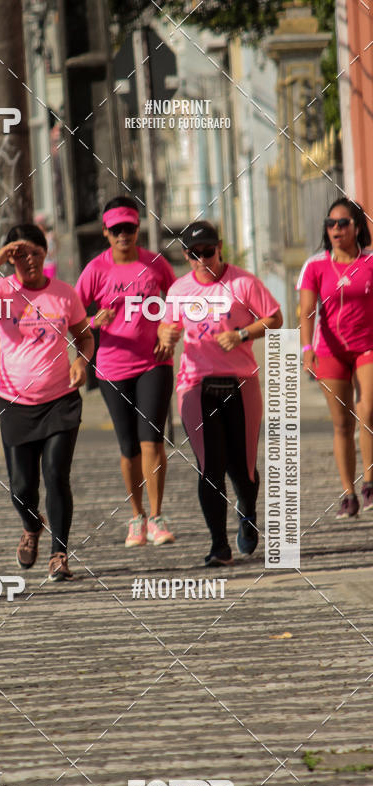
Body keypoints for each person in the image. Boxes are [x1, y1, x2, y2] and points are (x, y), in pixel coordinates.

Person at [0, 224, 94, 581]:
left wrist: (81, 361)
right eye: (21, 255)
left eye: (36, 252)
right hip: (15, 402)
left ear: (45, 253)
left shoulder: (64, 294)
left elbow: (84, 337)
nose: (30, 261)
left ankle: (59, 554)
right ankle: (31, 524)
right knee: (21, 488)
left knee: (56, 475)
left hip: (60, 401)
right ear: (11, 259)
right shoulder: (1, 290)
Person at [158, 221, 283, 567]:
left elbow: (275, 318)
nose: (202, 260)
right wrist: (167, 337)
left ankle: (247, 511)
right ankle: (219, 546)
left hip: (241, 384)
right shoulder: (179, 290)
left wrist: (243, 334)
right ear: (185, 255)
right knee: (209, 465)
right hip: (196, 384)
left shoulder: (243, 282)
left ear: (220, 248)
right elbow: (167, 326)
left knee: (242, 467)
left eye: (208, 252)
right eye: (194, 255)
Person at [75, 196, 176, 548]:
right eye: (116, 229)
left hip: (154, 362)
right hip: (112, 368)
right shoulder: (95, 270)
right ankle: (137, 518)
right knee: (129, 447)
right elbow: (70, 317)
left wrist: (168, 328)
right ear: (106, 232)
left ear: (138, 229)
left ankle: (157, 516)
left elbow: (177, 299)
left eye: (129, 228)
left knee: (152, 440)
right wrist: (92, 321)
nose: (123, 235)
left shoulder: (155, 264)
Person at [298, 198, 373, 518]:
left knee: (368, 411)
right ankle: (349, 493)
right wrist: (306, 349)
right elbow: (306, 311)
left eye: (343, 223)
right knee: (342, 423)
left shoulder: (370, 262)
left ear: (357, 227)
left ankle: (370, 483)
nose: (336, 229)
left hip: (367, 347)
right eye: (331, 224)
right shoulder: (315, 265)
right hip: (330, 351)